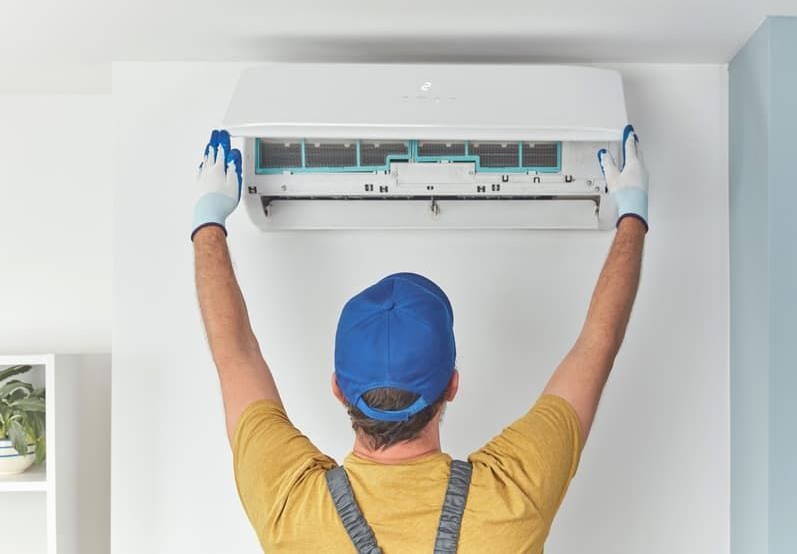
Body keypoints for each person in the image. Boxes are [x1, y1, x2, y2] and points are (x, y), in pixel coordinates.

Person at [191, 126, 649, 553]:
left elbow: (235, 354)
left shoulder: (291, 507)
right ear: (452, 385)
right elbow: (596, 346)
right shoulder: (511, 498)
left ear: (338, 389)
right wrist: (632, 214)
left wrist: (208, 220)